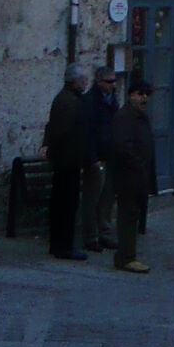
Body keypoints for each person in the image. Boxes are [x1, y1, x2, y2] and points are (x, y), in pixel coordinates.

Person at [41, 64, 91, 261]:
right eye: (83, 79)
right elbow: (61, 131)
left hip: (66, 159)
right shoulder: (69, 102)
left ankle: (60, 245)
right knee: (66, 204)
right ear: (75, 80)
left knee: (64, 203)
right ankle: (63, 246)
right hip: (67, 161)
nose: (85, 82)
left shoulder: (67, 99)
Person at [108, 76, 157, 273]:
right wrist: (138, 164)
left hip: (138, 175)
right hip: (128, 176)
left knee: (133, 215)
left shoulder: (140, 117)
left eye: (147, 94)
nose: (144, 98)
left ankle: (127, 255)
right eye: (140, 94)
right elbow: (122, 147)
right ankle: (126, 257)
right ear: (131, 95)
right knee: (128, 216)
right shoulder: (124, 117)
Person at [82, 63, 119, 252]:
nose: (113, 85)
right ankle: (91, 236)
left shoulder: (112, 100)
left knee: (106, 198)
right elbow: (87, 132)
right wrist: (93, 158)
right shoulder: (90, 101)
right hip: (96, 157)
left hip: (109, 154)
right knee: (92, 198)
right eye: (109, 81)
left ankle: (104, 233)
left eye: (114, 81)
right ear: (99, 82)